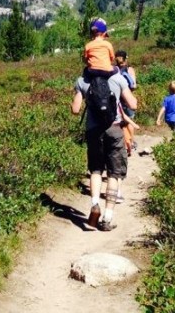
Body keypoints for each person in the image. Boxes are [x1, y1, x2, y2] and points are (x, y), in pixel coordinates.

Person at [71, 67, 138, 231]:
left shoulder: (82, 81)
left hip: (93, 131)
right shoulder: (118, 78)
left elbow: (75, 110)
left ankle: (95, 204)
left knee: (95, 170)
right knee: (114, 173)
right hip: (114, 129)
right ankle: (107, 217)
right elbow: (133, 105)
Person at [114, 50, 138, 155]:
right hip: (127, 99)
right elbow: (134, 85)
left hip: (117, 99)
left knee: (120, 122)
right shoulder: (129, 69)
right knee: (129, 121)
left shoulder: (114, 69)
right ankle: (131, 142)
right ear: (126, 58)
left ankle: (123, 143)